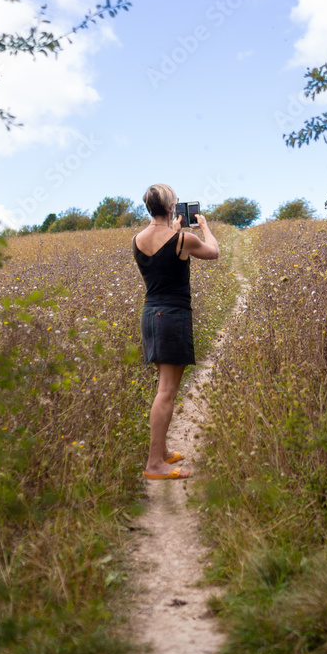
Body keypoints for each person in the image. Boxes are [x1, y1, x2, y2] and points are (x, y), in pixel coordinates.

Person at [132, 183, 219, 480]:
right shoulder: (184, 239)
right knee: (166, 392)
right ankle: (155, 463)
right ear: (172, 208)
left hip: (151, 315)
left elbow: (160, 255)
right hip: (172, 316)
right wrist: (204, 226)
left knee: (163, 387)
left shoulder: (138, 239)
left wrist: (173, 227)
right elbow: (214, 252)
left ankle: (163, 451)